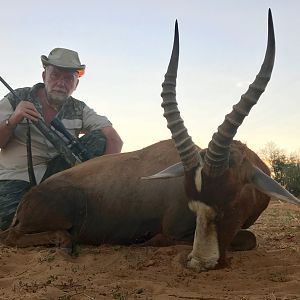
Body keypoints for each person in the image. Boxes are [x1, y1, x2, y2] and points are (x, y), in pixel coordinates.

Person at [0, 47, 123, 230]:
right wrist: (13, 119)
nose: (61, 83)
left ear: (76, 84)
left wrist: (101, 181)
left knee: (99, 138)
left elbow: (114, 139)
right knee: (7, 222)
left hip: (59, 178)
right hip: (17, 176)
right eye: (55, 75)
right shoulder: (16, 98)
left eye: (68, 78)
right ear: (44, 76)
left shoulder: (79, 108)